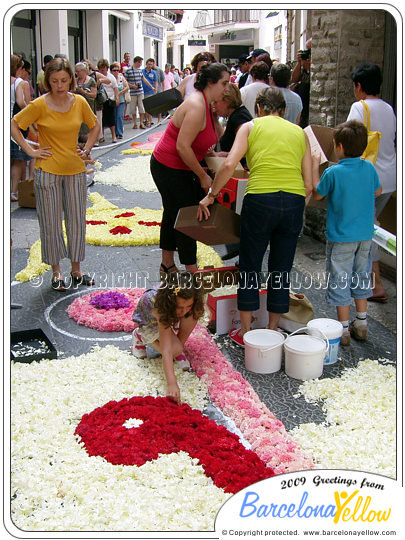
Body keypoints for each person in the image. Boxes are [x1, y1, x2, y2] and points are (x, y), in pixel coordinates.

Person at [198, 87, 312, 345]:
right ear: (283, 110)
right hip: (293, 201)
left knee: (250, 264)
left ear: (259, 108)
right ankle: (273, 329)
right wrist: (294, 203)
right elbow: (309, 183)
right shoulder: (300, 133)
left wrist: (212, 195)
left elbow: (229, 165)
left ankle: (247, 331)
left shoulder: (249, 127)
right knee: (281, 267)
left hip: (260, 199)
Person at [11, 57, 100, 291]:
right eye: (54, 81)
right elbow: (14, 124)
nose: (59, 85)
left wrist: (87, 148)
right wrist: (30, 149)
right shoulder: (39, 104)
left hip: (75, 169)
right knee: (50, 222)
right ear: (47, 81)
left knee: (76, 221)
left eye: (63, 80)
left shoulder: (80, 101)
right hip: (47, 170)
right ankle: (57, 272)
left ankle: (77, 269)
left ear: (71, 78)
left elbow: (95, 126)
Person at [150, 63, 230, 276]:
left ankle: (167, 264)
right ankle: (191, 269)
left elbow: (210, 138)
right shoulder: (196, 105)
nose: (227, 88)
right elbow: (182, 147)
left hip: (181, 166)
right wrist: (202, 176)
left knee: (173, 212)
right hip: (168, 166)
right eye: (224, 83)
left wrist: (213, 156)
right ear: (211, 83)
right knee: (187, 215)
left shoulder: (208, 104)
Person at [311, 120, 382, 345]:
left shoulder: (333, 172)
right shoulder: (369, 168)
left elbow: (318, 194)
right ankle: (361, 323)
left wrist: (314, 166)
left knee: (340, 279)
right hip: (364, 236)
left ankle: (343, 329)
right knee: (362, 276)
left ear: (339, 147)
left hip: (341, 237)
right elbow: (378, 190)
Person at [346, 62, 396, 303]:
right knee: (369, 226)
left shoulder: (360, 107)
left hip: (368, 179)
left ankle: (374, 284)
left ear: (359, 86)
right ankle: (369, 280)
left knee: (367, 230)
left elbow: (348, 142)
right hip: (390, 178)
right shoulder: (389, 108)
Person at [131, 272, 205, 404]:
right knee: (173, 349)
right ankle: (139, 335)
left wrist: (186, 310)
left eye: (188, 305)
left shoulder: (188, 299)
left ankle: (178, 347)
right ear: (171, 301)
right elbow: (166, 350)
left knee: (193, 314)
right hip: (150, 322)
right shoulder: (157, 303)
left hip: (169, 316)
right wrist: (171, 383)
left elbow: (190, 310)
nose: (184, 311)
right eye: (180, 307)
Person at [11, 53, 32, 201]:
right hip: (15, 122)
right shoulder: (20, 83)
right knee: (18, 159)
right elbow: (21, 101)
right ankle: (13, 190)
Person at [290, 38, 311, 128]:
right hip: (303, 110)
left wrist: (309, 68)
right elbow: (294, 79)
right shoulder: (303, 65)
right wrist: (299, 63)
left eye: (310, 51)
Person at [97, 58, 119, 143]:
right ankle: (101, 136)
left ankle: (114, 135)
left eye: (104, 67)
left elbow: (115, 88)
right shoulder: (97, 76)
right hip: (100, 100)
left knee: (111, 119)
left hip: (109, 99)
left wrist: (117, 98)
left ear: (107, 68)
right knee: (101, 119)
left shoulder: (110, 77)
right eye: (101, 67)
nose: (102, 69)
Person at [74, 62, 97, 142]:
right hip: (76, 109)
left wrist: (83, 92)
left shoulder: (91, 81)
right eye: (76, 71)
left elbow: (94, 95)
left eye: (78, 71)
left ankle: (88, 143)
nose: (77, 73)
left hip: (88, 107)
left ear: (84, 71)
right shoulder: (75, 81)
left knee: (87, 127)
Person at [124, 56, 147, 129]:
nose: (141, 64)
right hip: (132, 92)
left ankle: (141, 123)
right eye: (140, 62)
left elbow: (143, 79)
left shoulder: (140, 71)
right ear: (137, 62)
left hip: (140, 92)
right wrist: (131, 85)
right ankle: (135, 123)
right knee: (133, 109)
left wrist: (151, 86)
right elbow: (125, 80)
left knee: (141, 107)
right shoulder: (128, 71)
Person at [110, 61, 129, 139]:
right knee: (114, 116)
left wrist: (120, 92)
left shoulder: (121, 77)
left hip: (121, 100)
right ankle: (114, 133)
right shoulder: (109, 78)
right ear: (111, 71)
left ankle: (119, 133)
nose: (116, 72)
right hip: (112, 100)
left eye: (117, 70)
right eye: (114, 70)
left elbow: (127, 87)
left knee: (120, 116)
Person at [142, 58, 158, 126]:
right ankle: (146, 119)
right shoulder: (142, 71)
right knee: (144, 107)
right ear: (146, 64)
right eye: (148, 64)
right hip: (143, 91)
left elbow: (155, 81)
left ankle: (149, 120)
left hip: (150, 91)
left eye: (151, 64)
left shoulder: (153, 72)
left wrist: (155, 89)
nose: (150, 66)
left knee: (150, 107)